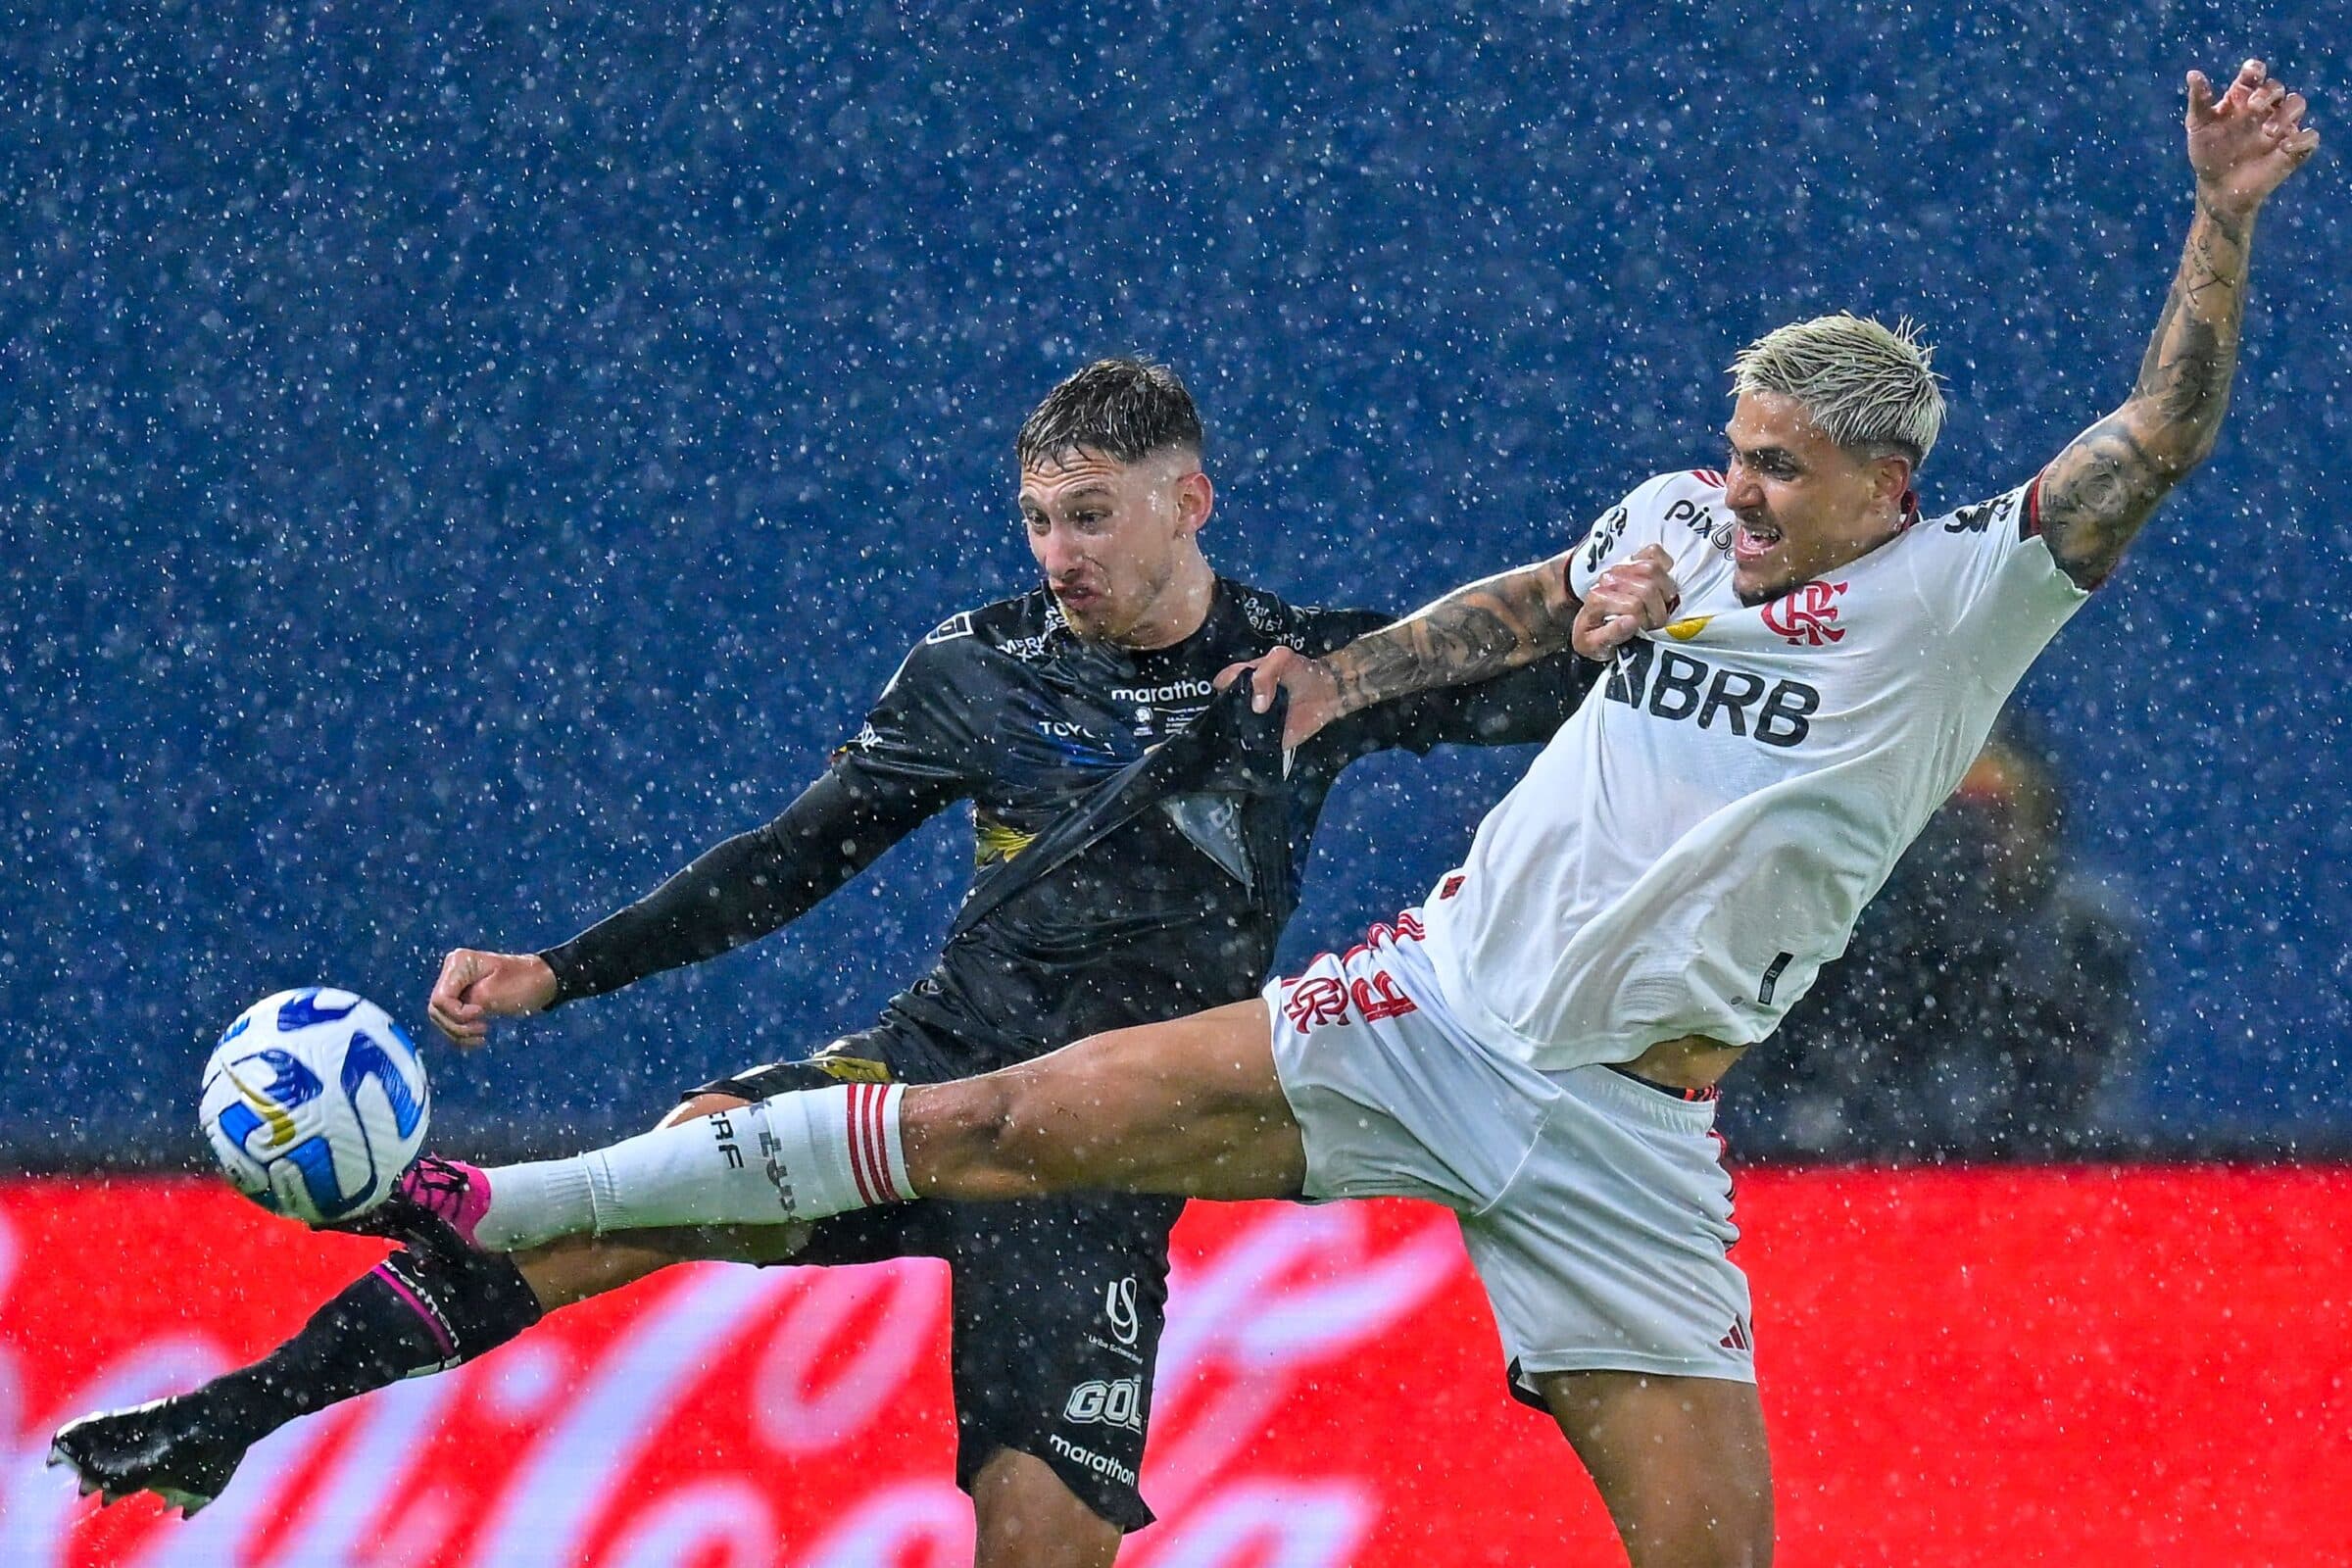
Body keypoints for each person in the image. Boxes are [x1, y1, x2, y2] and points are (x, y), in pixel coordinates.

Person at [237, 62, 2309, 1568]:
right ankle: (493, 1202)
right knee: (1004, 1115)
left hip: (1628, 1128)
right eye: (1734, 449)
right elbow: (1529, 596)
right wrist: (1360, 667)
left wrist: (2218, 217)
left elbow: (2161, 432)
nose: (1735, 487)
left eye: (1779, 468)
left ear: (1881, 477)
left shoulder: (1964, 592)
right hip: (1428, 1010)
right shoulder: (1677, 520)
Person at [49, 360, 1592, 1559]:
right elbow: (792, 858)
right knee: (659, 1179)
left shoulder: (1304, 675)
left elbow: (1552, 698)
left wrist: (1660, 626)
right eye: (1040, 519)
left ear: (1193, 499)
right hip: (927, 1075)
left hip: (1109, 1158)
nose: (1059, 553)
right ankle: (229, 1416)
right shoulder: (979, 667)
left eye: (1093, 516)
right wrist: (560, 972)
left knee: (1041, 1542)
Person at [1734, 721, 2143, 1158]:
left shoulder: (2077, 941)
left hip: (2029, 1175)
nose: (1972, 843)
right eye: (1954, 815)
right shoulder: (1847, 935)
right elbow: (1794, 1098)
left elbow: (2072, 1108)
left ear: (2038, 820)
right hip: (1855, 1170)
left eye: (1994, 815)